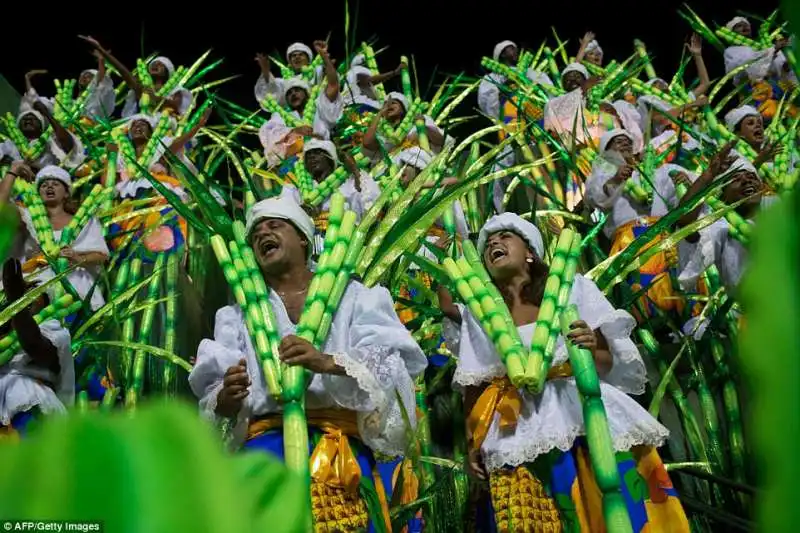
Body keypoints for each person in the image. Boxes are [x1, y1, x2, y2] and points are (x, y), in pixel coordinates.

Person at [437, 213, 688, 532]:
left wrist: (588, 344)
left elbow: (606, 362)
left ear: (530, 252)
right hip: (517, 430)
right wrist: (474, 444)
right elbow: (478, 380)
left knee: (609, 507)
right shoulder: (479, 313)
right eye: (488, 244)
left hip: (583, 415)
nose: (494, 243)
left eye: (505, 236)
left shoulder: (571, 288)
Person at [188, 198, 427, 530]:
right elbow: (215, 398)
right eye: (255, 233)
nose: (262, 234)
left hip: (338, 452)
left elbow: (390, 367)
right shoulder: (236, 315)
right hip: (265, 453)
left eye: (274, 225)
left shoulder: (354, 296)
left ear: (303, 237)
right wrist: (226, 397)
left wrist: (327, 362)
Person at [585, 130, 682, 316]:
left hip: (662, 234)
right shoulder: (601, 174)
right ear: (606, 151)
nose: (625, 144)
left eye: (627, 141)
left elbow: (673, 196)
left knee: (672, 285)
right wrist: (616, 179)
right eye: (617, 142)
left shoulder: (652, 171)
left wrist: (681, 180)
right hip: (629, 239)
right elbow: (595, 198)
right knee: (640, 289)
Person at [0, 164, 109, 310]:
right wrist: (13, 171)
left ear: (66, 193)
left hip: (74, 283)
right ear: (38, 193)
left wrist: (77, 258)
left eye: (55, 184)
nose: (49, 187)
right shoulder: (28, 218)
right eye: (44, 185)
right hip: (35, 279)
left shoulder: (84, 219)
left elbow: (101, 255)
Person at [0, 258, 73, 439]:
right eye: (23, 290)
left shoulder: (55, 330)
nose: (27, 297)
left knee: (20, 390)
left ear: (47, 301)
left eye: (33, 292)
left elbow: (34, 345)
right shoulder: (7, 332)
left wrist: (17, 300)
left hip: (37, 414)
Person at [278, 138, 379, 251]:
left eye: (318, 153)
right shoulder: (297, 189)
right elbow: (282, 215)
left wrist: (355, 170)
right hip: (312, 248)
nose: (312, 157)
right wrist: (301, 214)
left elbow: (371, 204)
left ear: (330, 158)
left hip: (345, 244)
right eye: (309, 155)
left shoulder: (348, 182)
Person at [258, 41, 343, 168]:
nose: (293, 94)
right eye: (289, 93)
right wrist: (295, 131)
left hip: (323, 158)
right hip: (294, 165)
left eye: (297, 90)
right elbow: (268, 134)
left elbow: (333, 85)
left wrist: (324, 56)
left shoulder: (319, 105)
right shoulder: (282, 114)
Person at [79, 36, 192, 119]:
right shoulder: (142, 89)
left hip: (165, 135)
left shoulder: (176, 91)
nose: (155, 65)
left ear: (168, 73)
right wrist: (101, 50)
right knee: (111, 146)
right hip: (141, 130)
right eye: (152, 64)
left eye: (160, 65)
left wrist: (155, 98)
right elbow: (123, 71)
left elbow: (176, 107)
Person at [15, 82, 85, 171]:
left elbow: (68, 145)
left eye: (33, 119)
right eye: (24, 119)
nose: (28, 120)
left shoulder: (50, 141)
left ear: (41, 127)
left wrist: (46, 113)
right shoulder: (11, 145)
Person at [361, 91, 448, 158]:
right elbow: (367, 143)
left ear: (403, 109)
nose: (388, 106)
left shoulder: (419, 121)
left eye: (393, 103)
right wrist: (380, 113)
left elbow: (441, 141)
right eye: (385, 104)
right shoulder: (382, 135)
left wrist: (422, 129)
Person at [254, 42, 324, 106]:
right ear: (290, 63)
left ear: (308, 60)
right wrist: (265, 70)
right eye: (294, 55)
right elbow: (268, 96)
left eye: (301, 54)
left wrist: (323, 55)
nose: (297, 57)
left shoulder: (317, 71)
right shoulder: (284, 82)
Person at [723, 104, 786, 169]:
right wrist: (759, 161)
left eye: (759, 123)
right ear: (739, 133)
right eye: (750, 123)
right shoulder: (734, 156)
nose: (757, 125)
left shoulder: (773, 152)